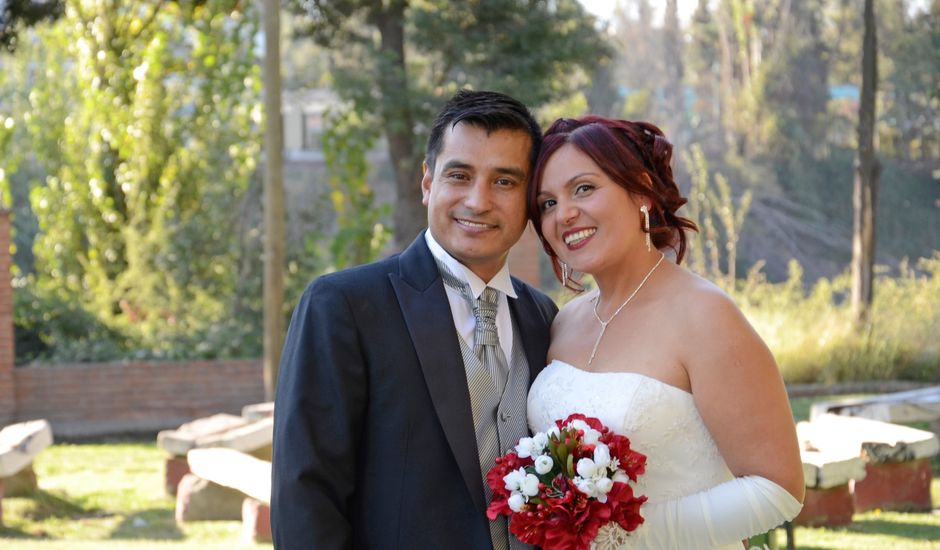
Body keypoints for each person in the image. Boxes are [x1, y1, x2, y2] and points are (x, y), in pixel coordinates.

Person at [271, 90, 558, 549]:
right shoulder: (343, 306)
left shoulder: (542, 315)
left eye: (504, 182)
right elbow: (306, 495)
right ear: (427, 182)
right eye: (459, 175)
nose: (479, 201)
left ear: (528, 197)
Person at [526, 116, 804, 549]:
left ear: (640, 190)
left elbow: (778, 489)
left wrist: (623, 535)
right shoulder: (564, 321)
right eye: (546, 203)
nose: (564, 214)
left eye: (583, 188)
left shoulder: (704, 315)